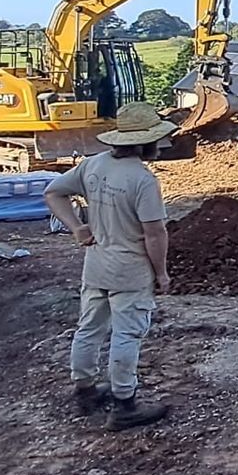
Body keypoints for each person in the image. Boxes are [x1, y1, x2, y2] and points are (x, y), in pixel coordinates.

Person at [44, 101, 177, 431]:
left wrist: (77, 227)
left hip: (96, 265)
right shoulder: (143, 180)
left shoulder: (94, 164)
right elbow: (154, 232)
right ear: (147, 142)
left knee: (89, 328)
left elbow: (54, 193)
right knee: (127, 334)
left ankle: (85, 391)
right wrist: (161, 273)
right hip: (129, 270)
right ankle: (124, 404)